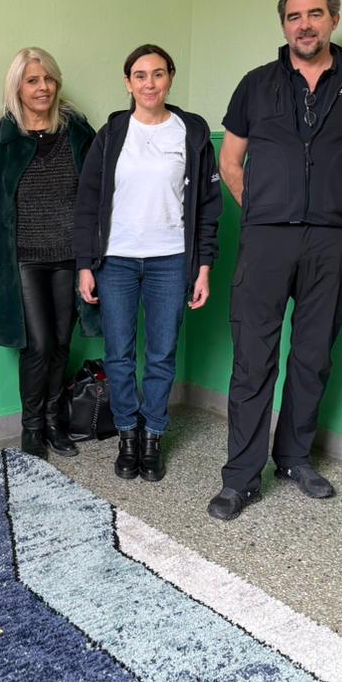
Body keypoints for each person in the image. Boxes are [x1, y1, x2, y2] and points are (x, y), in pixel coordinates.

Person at [210, 0, 342, 522]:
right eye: (294, 16)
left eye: (314, 14)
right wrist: (263, 209)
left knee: (313, 356)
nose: (304, 25)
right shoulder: (256, 84)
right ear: (284, 25)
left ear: (333, 19)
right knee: (253, 359)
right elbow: (230, 161)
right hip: (266, 239)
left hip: (331, 239)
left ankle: (293, 458)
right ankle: (240, 478)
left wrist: (333, 211)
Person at [73, 44, 222, 482]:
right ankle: (127, 433)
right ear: (128, 83)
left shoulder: (191, 132)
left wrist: (204, 267)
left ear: (170, 78)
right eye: (140, 75)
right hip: (116, 260)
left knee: (161, 354)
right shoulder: (112, 133)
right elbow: (88, 203)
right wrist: (85, 264)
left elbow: (208, 207)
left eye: (158, 74)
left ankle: (153, 433)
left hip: (171, 261)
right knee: (118, 354)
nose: (149, 83)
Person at [0, 48, 98, 459]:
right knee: (38, 344)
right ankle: (31, 428)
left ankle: (53, 423)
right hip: (22, 259)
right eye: (32, 80)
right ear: (17, 87)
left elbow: (97, 194)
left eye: (48, 79)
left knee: (62, 342)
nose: (43, 87)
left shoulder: (77, 130)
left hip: (70, 255)